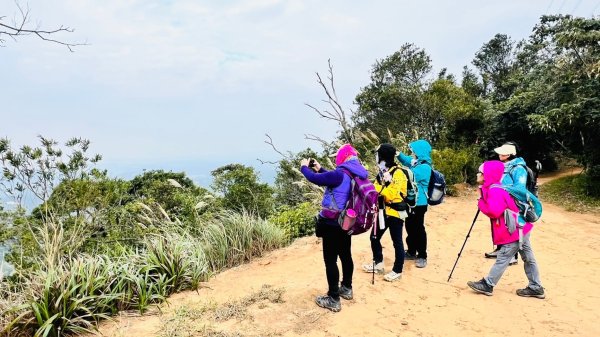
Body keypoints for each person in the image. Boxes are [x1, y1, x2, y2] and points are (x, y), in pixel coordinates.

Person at [300, 143, 369, 312]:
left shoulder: (340, 173)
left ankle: (333, 298)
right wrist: (319, 167)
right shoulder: (356, 172)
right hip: (346, 221)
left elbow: (317, 179)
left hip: (332, 223)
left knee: (330, 260)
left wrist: (304, 167)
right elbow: (334, 180)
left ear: (343, 156)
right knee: (345, 255)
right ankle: (346, 288)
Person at [467, 160, 545, 299]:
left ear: (488, 174)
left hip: (513, 231)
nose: (478, 174)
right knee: (528, 257)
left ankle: (488, 284)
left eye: (481, 172)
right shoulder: (497, 187)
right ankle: (536, 286)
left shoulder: (495, 190)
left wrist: (480, 202)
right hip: (521, 227)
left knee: (503, 256)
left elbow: (494, 211)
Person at [361, 143, 408, 282]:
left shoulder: (399, 173)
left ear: (383, 156)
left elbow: (392, 194)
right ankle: (378, 263)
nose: (376, 157)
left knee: (397, 242)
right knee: (374, 237)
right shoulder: (381, 172)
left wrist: (379, 190)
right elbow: (374, 187)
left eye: (378, 154)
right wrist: (380, 189)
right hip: (382, 211)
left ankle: (397, 270)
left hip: (395, 212)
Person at [484, 142, 528, 265]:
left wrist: (502, 189)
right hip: (500, 201)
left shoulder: (518, 168)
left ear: (508, 154)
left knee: (511, 227)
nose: (499, 154)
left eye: (502, 152)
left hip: (511, 203)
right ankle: (500, 249)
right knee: (499, 225)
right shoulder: (504, 166)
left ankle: (513, 256)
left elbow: (520, 188)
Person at [396, 140, 432, 268]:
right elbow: (407, 161)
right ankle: (411, 251)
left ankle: (422, 255)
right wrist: (398, 154)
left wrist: (396, 170)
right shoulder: (417, 163)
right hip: (411, 202)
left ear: (420, 152)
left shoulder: (424, 167)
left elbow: (409, 176)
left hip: (420, 203)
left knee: (418, 229)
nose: (412, 153)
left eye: (414, 151)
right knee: (410, 227)